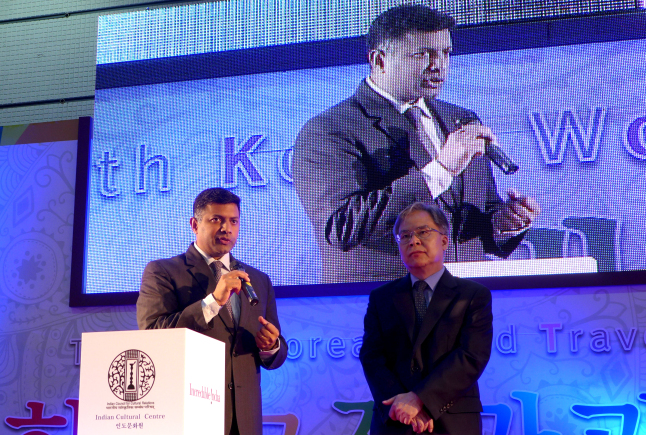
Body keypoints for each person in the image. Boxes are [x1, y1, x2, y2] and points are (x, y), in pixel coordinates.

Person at [292, 5, 540, 283]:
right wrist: (442, 168)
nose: (439, 65)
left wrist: (501, 225)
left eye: (445, 53)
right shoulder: (328, 130)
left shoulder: (460, 118)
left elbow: (477, 215)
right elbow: (341, 226)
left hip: (463, 300)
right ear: (380, 60)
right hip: (386, 303)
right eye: (423, 54)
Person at [136, 188, 287, 435]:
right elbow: (153, 334)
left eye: (233, 221)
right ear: (195, 225)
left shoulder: (258, 279)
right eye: (216, 219)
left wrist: (271, 346)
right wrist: (214, 300)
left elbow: (276, 353)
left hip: (246, 421)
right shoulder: (162, 272)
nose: (226, 228)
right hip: (190, 415)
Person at [360, 202, 492, 434]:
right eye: (405, 236)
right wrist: (402, 405)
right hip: (395, 421)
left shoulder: (472, 295)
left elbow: (472, 356)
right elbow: (372, 357)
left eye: (423, 232)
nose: (413, 241)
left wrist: (421, 399)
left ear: (444, 240)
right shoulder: (381, 298)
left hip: (452, 421)